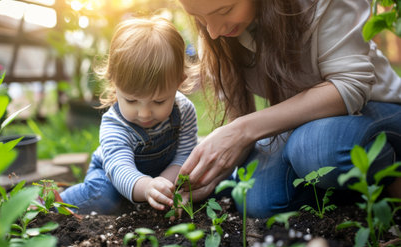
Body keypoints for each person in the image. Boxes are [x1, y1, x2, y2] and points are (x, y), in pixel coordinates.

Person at [176, 0, 401, 218]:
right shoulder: (220, 30)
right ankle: (351, 194)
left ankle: (392, 172)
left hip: (376, 106)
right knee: (257, 199)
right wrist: (212, 172)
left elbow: (349, 86)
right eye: (200, 17)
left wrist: (242, 130)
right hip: (307, 125)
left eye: (225, 9)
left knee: (315, 150)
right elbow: (239, 127)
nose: (213, 31)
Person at [60, 16, 198, 214]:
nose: (144, 113)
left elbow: (184, 155)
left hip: (160, 174)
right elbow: (120, 168)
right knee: (105, 197)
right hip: (112, 177)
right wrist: (148, 187)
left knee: (203, 183)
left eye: (159, 101)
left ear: (179, 82)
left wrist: (164, 186)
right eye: (132, 101)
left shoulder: (184, 111)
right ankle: (54, 203)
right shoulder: (115, 124)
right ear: (114, 84)